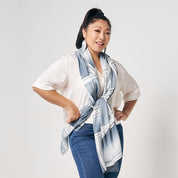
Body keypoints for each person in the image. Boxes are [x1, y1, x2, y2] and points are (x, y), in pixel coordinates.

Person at [32, 8, 141, 178]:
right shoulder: (71, 62)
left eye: (107, 33)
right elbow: (40, 85)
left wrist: (125, 112)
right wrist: (69, 105)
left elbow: (133, 91)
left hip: (112, 132)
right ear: (84, 32)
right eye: (97, 31)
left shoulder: (114, 67)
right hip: (83, 132)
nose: (102, 37)